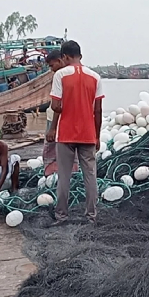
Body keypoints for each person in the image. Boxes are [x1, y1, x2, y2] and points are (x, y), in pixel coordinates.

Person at [47, 40, 103, 222]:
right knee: (90, 175)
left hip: (66, 133)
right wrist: (97, 136)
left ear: (64, 57)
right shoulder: (95, 77)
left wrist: (66, 105)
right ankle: (91, 215)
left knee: (64, 176)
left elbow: (55, 105)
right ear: (80, 55)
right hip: (88, 133)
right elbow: (98, 110)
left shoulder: (60, 75)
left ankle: (61, 214)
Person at [43, 49, 68, 176]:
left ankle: (50, 175)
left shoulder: (60, 76)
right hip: (62, 118)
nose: (51, 69)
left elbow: (57, 105)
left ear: (59, 61)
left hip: (55, 119)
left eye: (52, 65)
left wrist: (52, 128)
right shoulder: (70, 75)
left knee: (51, 150)